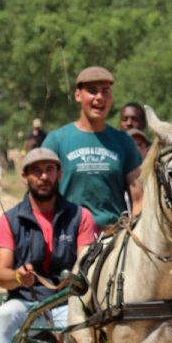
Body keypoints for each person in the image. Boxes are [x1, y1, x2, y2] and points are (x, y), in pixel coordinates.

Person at [0, 148, 97, 343]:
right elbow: (2, 275)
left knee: (94, 329)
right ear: (25, 176)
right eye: (36, 171)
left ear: (59, 174)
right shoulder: (9, 220)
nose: (43, 177)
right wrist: (19, 277)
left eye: (49, 170)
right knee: (4, 315)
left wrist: (74, 279)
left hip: (67, 303)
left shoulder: (80, 217)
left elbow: (86, 263)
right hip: (26, 303)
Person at [42, 66, 144, 231]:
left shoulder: (124, 142)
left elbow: (139, 198)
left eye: (105, 91)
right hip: (68, 235)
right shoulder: (56, 140)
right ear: (78, 95)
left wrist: (133, 233)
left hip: (113, 236)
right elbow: (40, 194)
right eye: (92, 91)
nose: (99, 98)